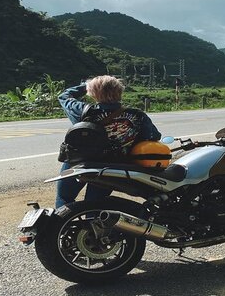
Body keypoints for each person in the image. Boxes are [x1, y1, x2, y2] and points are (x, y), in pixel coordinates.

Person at [55, 75, 161, 208]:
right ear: (120, 91)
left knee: (64, 198)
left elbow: (64, 96)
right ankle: (93, 227)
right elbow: (153, 136)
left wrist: (85, 86)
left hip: (79, 162)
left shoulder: (84, 110)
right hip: (112, 166)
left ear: (93, 92)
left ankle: (61, 226)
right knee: (96, 205)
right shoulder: (138, 115)